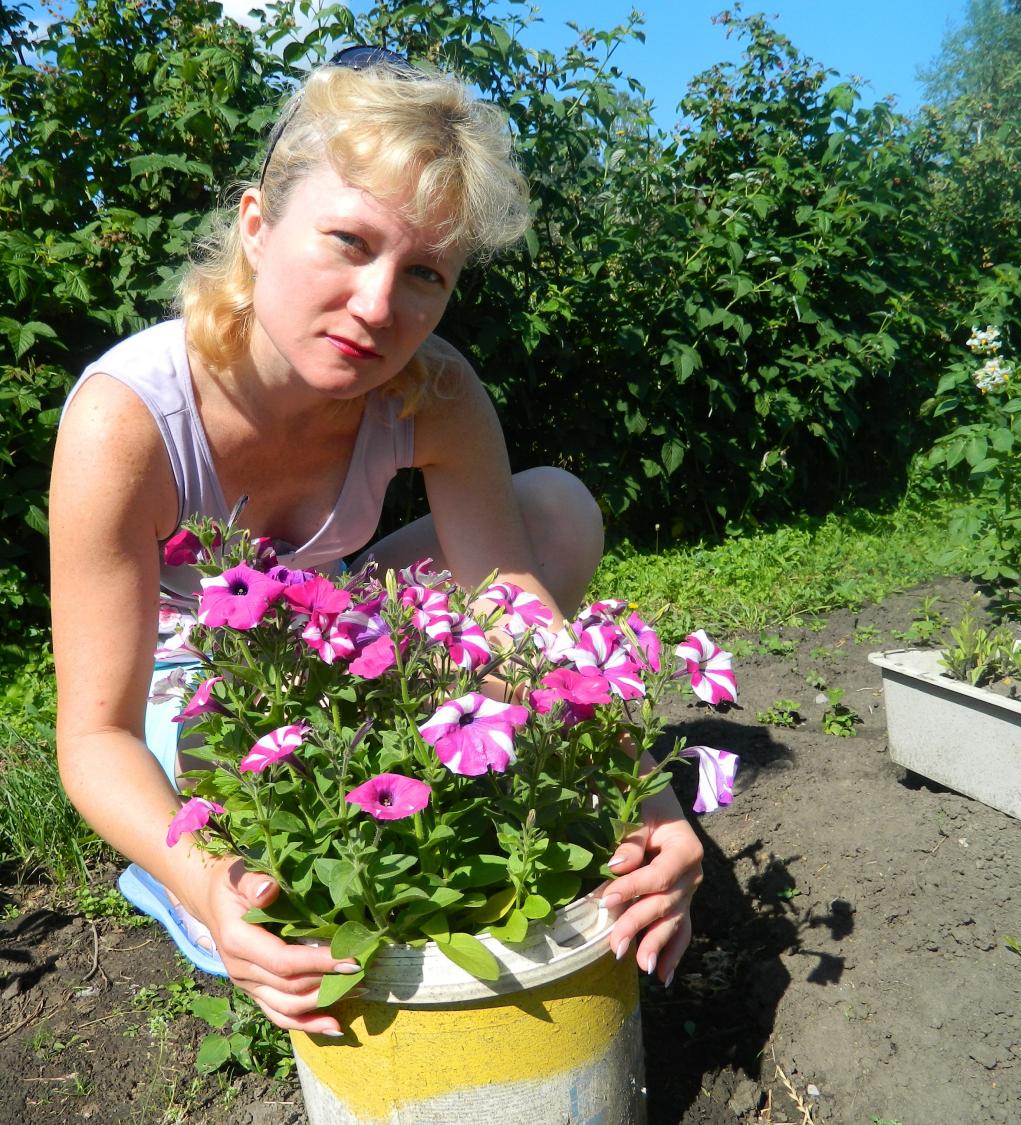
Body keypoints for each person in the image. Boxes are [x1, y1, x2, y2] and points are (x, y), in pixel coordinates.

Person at [48, 47, 705, 1037]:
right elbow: (94, 734)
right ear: (257, 227)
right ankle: (185, 879)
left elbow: (509, 604)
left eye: (425, 273)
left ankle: (419, 781)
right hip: (204, 691)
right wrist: (210, 880)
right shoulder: (128, 420)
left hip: (334, 629)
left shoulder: (433, 388)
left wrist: (641, 789)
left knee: (557, 509)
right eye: (349, 242)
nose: (377, 307)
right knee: (245, 833)